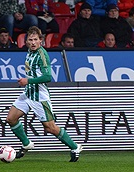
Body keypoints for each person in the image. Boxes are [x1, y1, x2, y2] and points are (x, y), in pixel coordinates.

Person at [6, 26, 82, 162]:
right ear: (27, 41)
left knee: (50, 127)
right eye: (30, 40)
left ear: (41, 41)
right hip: (28, 93)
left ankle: (75, 147)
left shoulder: (42, 54)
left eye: (36, 39)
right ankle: (26, 143)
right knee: (11, 118)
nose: (33, 42)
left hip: (40, 96)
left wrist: (28, 80)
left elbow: (48, 77)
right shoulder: (29, 52)